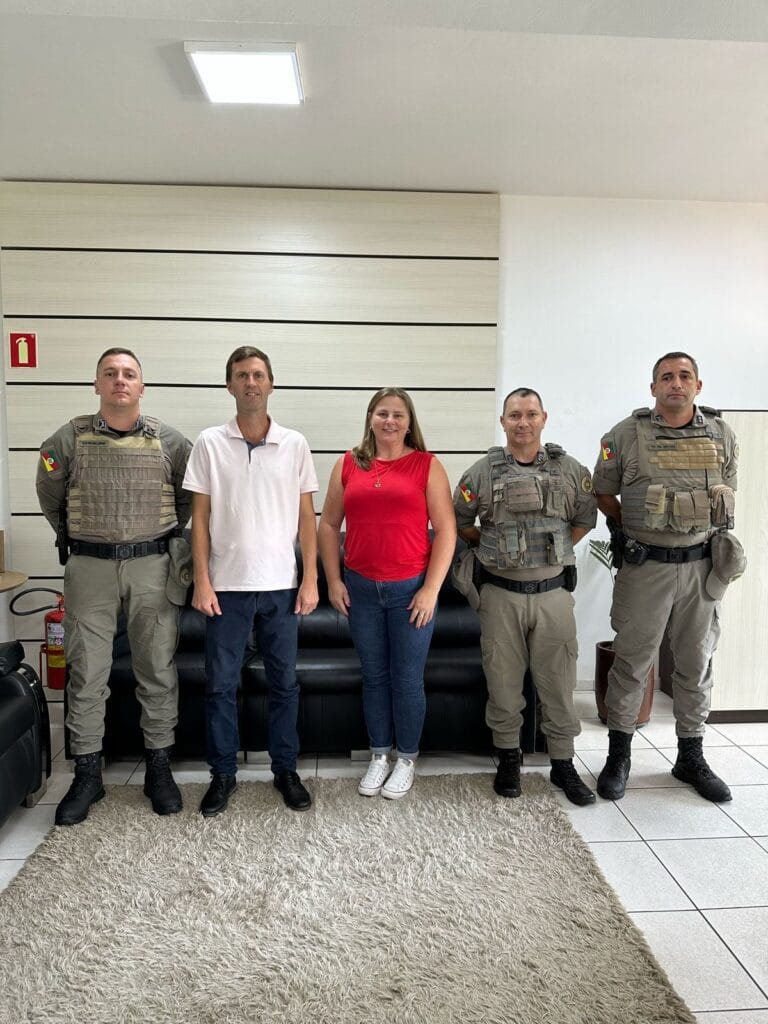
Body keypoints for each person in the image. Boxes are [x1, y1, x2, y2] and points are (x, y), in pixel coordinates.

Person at [36, 348, 192, 826]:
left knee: (157, 669)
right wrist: (82, 537)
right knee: (86, 672)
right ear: (97, 385)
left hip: (152, 566)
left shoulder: (171, 441)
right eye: (110, 374)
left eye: (129, 374)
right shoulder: (66, 439)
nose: (120, 380)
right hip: (90, 567)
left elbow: (187, 499)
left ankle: (158, 768)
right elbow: (49, 494)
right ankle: (88, 774)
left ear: (142, 386)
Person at [593, 352, 743, 803]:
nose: (675, 383)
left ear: (698, 385)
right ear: (653, 387)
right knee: (632, 663)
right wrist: (636, 531)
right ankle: (619, 756)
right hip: (647, 568)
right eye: (666, 377)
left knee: (696, 663)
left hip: (701, 568)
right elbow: (604, 493)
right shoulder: (624, 434)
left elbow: (728, 490)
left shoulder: (721, 433)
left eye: (684, 376)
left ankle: (690, 757)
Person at [184, 346, 319, 816]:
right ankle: (223, 774)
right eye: (242, 375)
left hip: (281, 585)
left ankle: (285, 770)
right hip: (226, 587)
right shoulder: (209, 443)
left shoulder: (294, 444)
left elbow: (307, 519)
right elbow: (200, 520)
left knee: (284, 685)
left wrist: (310, 578)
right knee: (221, 687)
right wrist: (202, 581)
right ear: (229, 385)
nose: (251, 383)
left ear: (271, 384)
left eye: (258, 375)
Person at [454, 388, 597, 805]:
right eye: (514, 415)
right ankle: (508, 759)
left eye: (531, 414)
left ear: (543, 418)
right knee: (503, 685)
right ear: (503, 421)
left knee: (559, 685)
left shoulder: (569, 469)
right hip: (500, 596)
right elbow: (461, 521)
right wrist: (493, 549)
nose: (523, 422)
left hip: (554, 595)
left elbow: (584, 519)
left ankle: (563, 764)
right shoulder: (481, 472)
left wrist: (552, 554)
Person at [318, 388, 456, 799]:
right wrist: (334, 580)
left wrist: (431, 589)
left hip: (410, 591)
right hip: (360, 589)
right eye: (382, 413)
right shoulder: (348, 463)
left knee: (407, 679)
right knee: (374, 677)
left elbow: (446, 531)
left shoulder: (427, 465)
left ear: (409, 423)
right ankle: (379, 754)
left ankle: (406, 758)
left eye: (398, 414)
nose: (390, 421)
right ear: (370, 418)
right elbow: (328, 525)